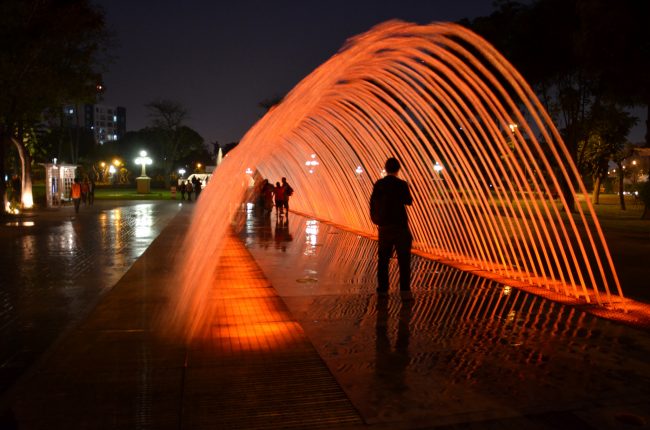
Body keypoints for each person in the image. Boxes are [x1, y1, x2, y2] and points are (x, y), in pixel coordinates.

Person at [369, 157, 413, 299]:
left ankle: (382, 290)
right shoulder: (401, 184)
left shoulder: (379, 184)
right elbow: (409, 201)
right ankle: (405, 291)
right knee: (404, 259)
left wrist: (376, 219)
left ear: (386, 169)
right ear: (398, 169)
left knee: (383, 259)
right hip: (400, 226)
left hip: (384, 227)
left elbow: (372, 202)